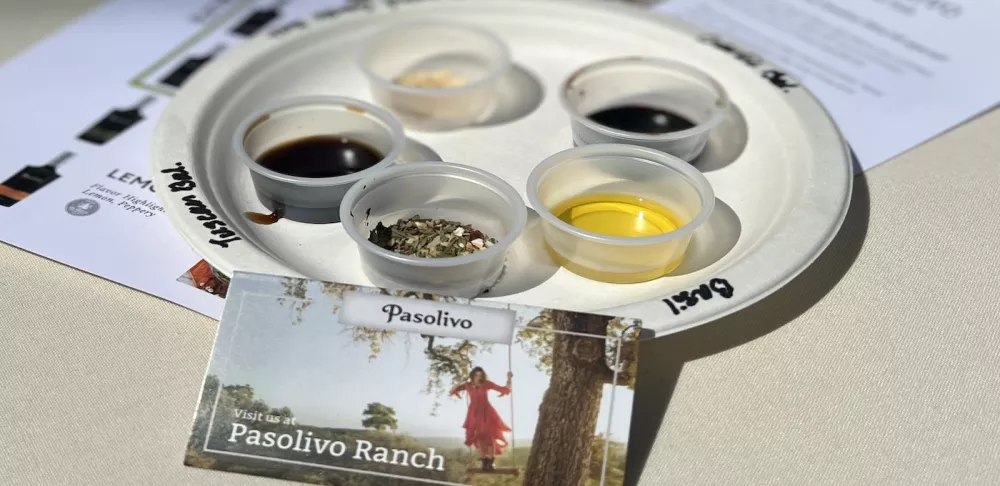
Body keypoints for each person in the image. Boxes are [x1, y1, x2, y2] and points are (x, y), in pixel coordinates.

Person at [449, 367, 513, 471]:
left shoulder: (486, 384)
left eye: (480, 375)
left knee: (490, 436)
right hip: (474, 413)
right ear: (472, 376)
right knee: (479, 438)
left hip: (487, 412)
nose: (478, 377)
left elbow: (505, 390)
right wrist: (461, 381)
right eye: (476, 375)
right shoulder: (467, 385)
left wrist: (509, 379)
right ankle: (484, 462)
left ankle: (491, 462)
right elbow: (452, 391)